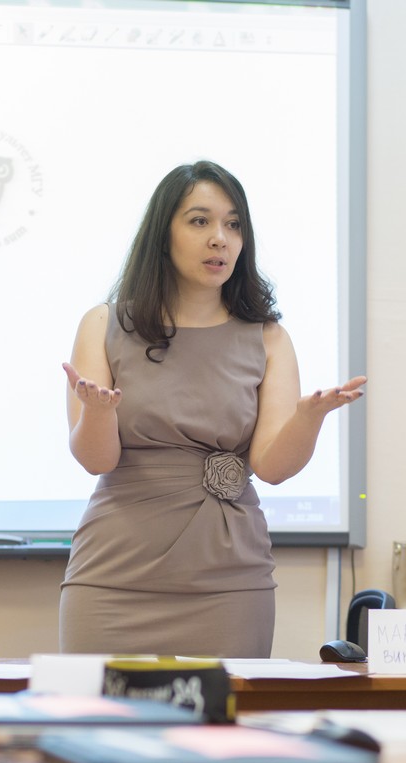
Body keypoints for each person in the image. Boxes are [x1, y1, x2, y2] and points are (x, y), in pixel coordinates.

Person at [59, 160, 365, 658]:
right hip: (113, 576)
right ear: (163, 235)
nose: (220, 238)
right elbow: (97, 460)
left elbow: (271, 467)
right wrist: (97, 412)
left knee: (225, 711)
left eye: (233, 224)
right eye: (200, 221)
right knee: (101, 709)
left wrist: (309, 419)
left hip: (230, 582)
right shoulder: (104, 324)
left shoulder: (269, 338)